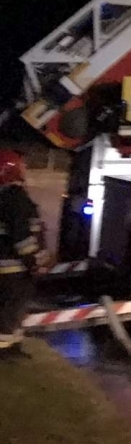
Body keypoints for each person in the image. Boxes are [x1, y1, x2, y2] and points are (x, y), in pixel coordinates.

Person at [0, 150, 45, 354]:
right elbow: (22, 237)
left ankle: (13, 345)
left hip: (11, 267)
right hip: (14, 268)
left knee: (15, 310)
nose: (25, 170)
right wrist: (33, 262)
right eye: (22, 166)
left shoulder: (8, 197)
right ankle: (4, 349)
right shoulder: (15, 198)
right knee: (10, 311)